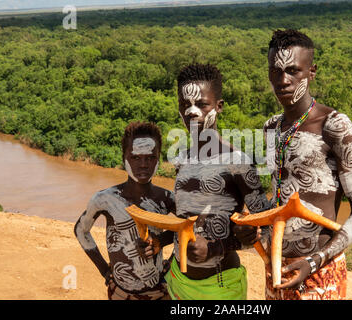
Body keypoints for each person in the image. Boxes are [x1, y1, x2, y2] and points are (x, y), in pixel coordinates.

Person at [262, 29, 352, 300]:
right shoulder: (270, 128)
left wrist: (315, 261)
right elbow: (278, 198)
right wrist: (257, 232)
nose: (283, 80)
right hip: (275, 269)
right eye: (275, 71)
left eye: (293, 71)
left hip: (319, 270)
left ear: (311, 72)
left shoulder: (334, 125)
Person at [163, 63, 271, 300]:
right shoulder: (181, 159)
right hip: (177, 282)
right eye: (185, 105)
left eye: (202, 104)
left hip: (220, 287)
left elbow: (267, 228)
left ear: (219, 106)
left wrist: (217, 248)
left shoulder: (238, 162)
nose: (192, 112)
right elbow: (184, 220)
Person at [74, 121, 175, 300]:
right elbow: (81, 230)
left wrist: (164, 248)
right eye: (135, 157)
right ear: (124, 158)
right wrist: (104, 270)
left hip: (160, 291)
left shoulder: (166, 199)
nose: (143, 164)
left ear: (159, 159)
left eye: (150, 157)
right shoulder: (105, 199)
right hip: (120, 293)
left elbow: (190, 229)